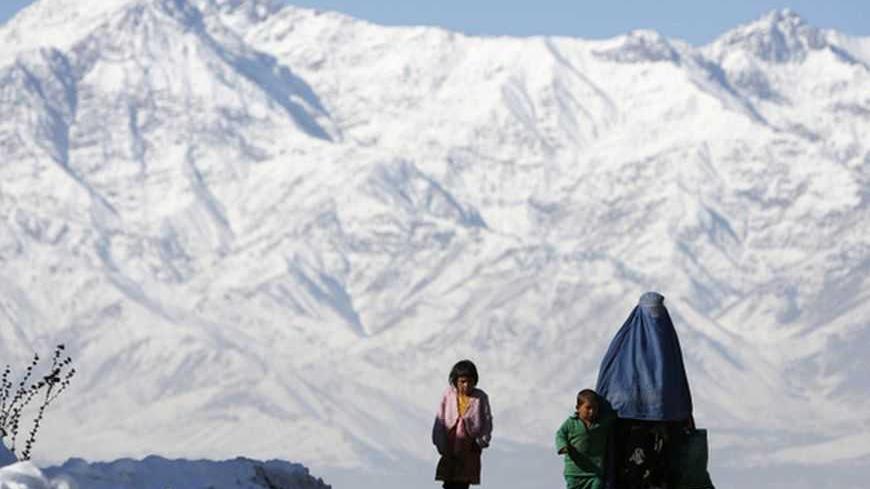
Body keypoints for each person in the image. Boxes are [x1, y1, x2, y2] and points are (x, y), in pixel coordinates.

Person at [432, 360, 493, 489]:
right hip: (450, 445)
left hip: (469, 448)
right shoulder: (448, 395)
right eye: (463, 382)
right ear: (455, 381)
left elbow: (487, 421)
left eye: (470, 382)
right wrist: (440, 442)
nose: (466, 385)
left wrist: (481, 441)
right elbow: (440, 419)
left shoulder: (480, 397)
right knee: (449, 481)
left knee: (463, 482)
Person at [555, 389, 616, 489]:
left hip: (594, 473)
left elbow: (614, 415)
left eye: (595, 408)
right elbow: (560, 435)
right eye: (588, 408)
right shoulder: (571, 423)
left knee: (598, 485)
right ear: (578, 408)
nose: (592, 411)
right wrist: (563, 446)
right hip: (574, 473)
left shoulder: (602, 423)